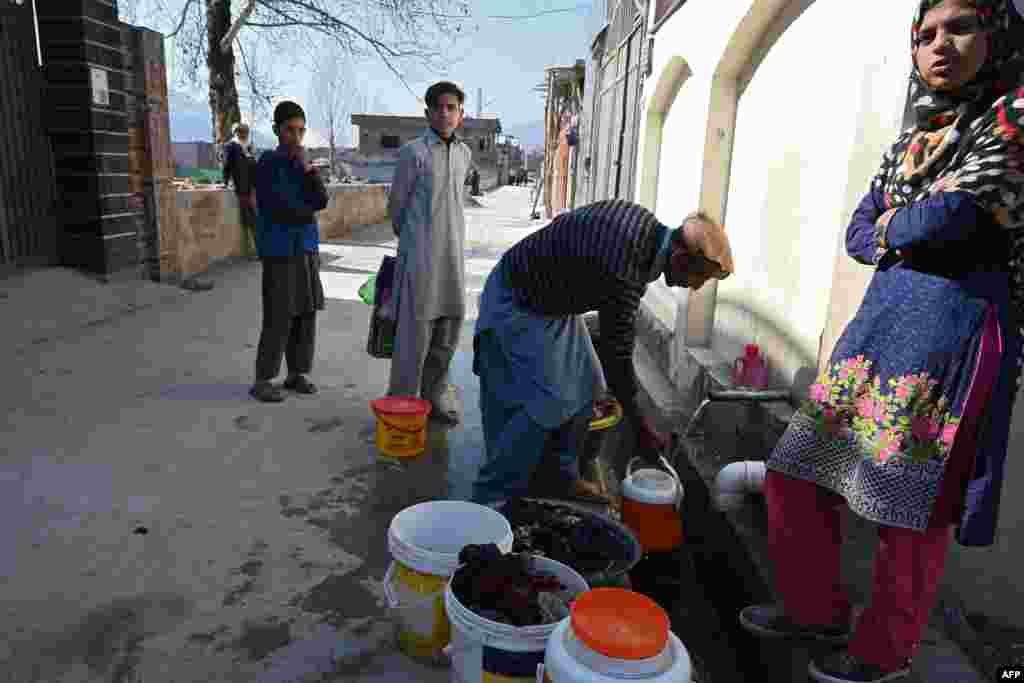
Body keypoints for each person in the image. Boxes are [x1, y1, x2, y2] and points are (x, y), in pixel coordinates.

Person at [738, 1, 1024, 681]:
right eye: (924, 35)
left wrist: (901, 223)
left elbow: (954, 216)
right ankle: (815, 609)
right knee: (797, 469)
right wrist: (906, 222)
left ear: (999, 33)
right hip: (880, 326)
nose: (939, 45)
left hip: (950, 333)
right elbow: (860, 229)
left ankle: (883, 652)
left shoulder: (1014, 116)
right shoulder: (919, 136)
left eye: (960, 26)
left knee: (910, 502)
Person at [470, 201, 735, 505]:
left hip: (553, 302)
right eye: (699, 277)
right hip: (518, 300)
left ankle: (563, 477)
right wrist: (639, 428)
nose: (697, 286)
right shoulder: (625, 269)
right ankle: (491, 497)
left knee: (589, 383)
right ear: (679, 258)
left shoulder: (644, 227)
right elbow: (617, 355)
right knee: (547, 403)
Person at [387, 81, 474, 424]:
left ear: (461, 114)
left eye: (452, 108)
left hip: (453, 259)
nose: (445, 113)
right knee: (414, 337)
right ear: (427, 113)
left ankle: (433, 397)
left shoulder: (465, 154)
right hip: (421, 260)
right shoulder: (413, 153)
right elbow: (396, 209)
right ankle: (403, 406)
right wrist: (415, 241)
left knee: (448, 332)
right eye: (438, 107)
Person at [249, 101, 329, 403]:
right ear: (276, 131)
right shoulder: (268, 164)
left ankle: (297, 373)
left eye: (300, 131)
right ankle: (263, 378)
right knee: (279, 314)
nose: (295, 137)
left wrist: (308, 170)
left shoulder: (304, 164)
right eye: (288, 130)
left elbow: (321, 200)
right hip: (280, 250)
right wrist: (305, 210)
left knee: (305, 313)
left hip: (306, 248)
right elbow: (282, 207)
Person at [223, 123, 258, 259]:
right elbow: (227, 166)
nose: (244, 134)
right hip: (242, 189)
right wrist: (225, 182)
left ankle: (260, 250)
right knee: (248, 221)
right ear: (236, 133)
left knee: (256, 219)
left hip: (253, 189)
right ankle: (252, 252)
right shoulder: (231, 146)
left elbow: (254, 167)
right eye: (241, 132)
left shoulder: (248, 147)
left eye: (246, 132)